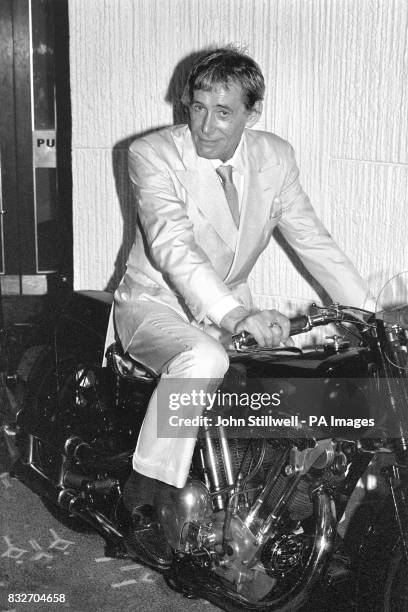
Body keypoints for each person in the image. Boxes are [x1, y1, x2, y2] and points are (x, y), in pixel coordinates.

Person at [113, 47, 373, 568]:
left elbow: (312, 241)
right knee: (205, 360)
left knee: (293, 370)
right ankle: (144, 500)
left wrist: (368, 315)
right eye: (197, 106)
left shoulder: (274, 157)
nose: (205, 125)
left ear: (253, 114)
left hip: (229, 305)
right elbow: (172, 246)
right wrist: (234, 315)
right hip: (154, 304)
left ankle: (272, 506)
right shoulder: (153, 153)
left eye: (224, 112)